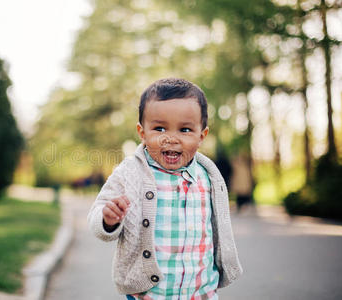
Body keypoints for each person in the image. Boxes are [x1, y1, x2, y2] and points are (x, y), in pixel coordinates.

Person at [88, 78, 242, 299]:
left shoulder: (208, 175)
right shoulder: (131, 173)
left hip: (201, 291)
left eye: (185, 129)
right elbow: (98, 211)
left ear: (202, 135)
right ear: (142, 132)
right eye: (159, 128)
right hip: (151, 293)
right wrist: (107, 219)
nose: (171, 138)